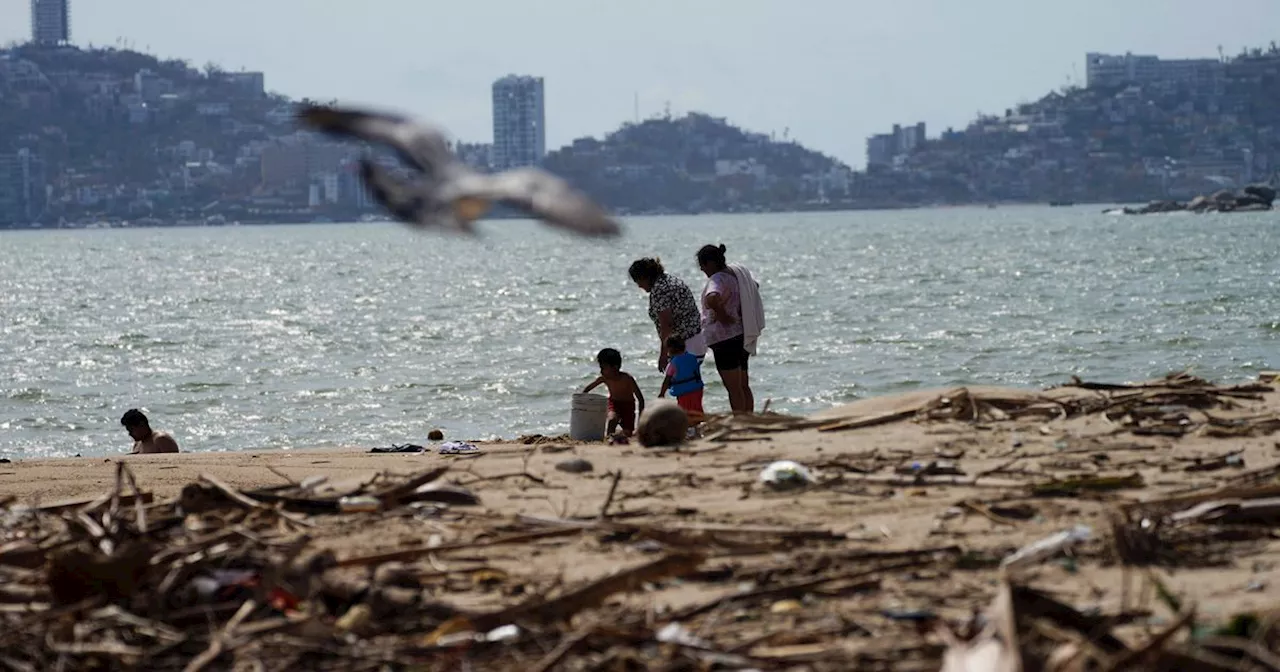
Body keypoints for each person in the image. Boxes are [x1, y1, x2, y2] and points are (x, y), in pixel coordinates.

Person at [697, 243, 761, 414]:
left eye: (702, 266)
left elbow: (712, 297)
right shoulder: (736, 276)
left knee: (733, 389)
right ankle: (749, 418)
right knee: (743, 385)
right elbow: (755, 286)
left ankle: (740, 422)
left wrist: (722, 315)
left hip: (724, 340)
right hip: (740, 334)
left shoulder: (717, 279)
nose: (702, 270)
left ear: (710, 263)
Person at [628, 257, 706, 373]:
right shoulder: (671, 280)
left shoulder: (659, 291)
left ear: (645, 277)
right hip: (696, 340)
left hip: (684, 346)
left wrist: (663, 355)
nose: (639, 286)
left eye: (638, 281)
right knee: (690, 383)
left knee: (681, 385)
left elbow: (667, 325)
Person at [582, 348, 645, 438]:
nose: (601, 371)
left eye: (603, 368)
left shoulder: (627, 378)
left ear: (615, 367)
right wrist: (582, 400)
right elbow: (589, 388)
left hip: (628, 406)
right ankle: (609, 439)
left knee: (628, 433)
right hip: (614, 403)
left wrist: (640, 423)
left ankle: (621, 436)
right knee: (612, 419)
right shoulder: (604, 378)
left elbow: (640, 399)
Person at [658, 335, 705, 424]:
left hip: (684, 392)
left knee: (685, 413)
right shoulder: (693, 358)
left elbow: (667, 380)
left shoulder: (673, 364)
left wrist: (662, 394)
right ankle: (698, 429)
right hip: (697, 389)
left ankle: (690, 431)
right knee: (697, 410)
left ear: (670, 350)